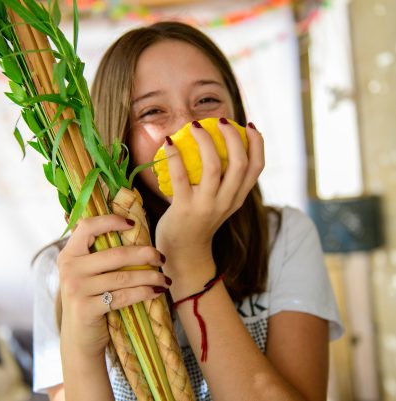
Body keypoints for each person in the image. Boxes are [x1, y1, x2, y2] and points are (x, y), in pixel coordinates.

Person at [32, 21, 343, 401]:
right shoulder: (67, 269)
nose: (186, 125)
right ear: (115, 139)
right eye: (152, 111)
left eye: (207, 101)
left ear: (239, 118)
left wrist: (187, 260)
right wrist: (79, 347)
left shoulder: (284, 235)